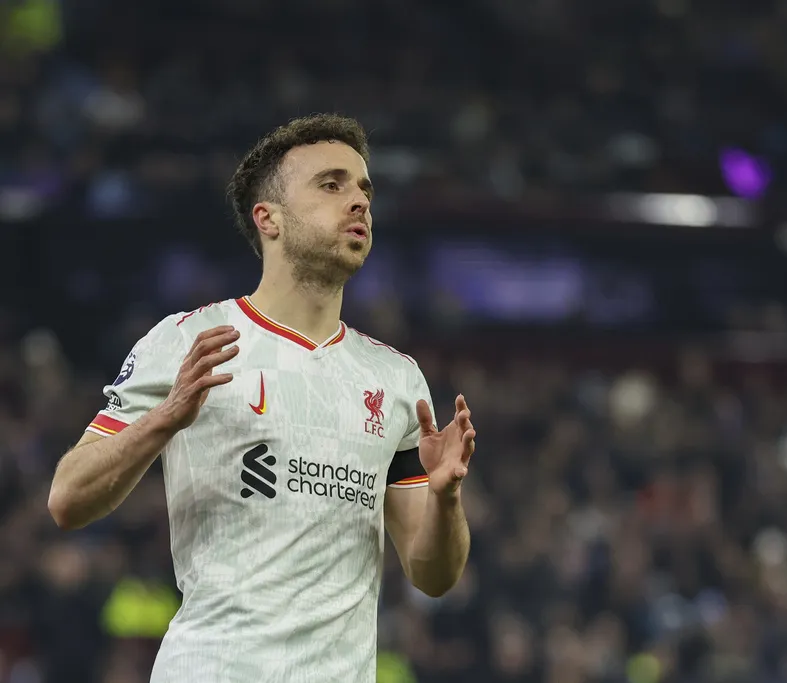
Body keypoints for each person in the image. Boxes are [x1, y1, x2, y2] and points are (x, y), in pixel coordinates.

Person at [46, 114, 476, 683]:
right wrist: (165, 419)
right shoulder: (186, 341)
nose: (359, 202)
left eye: (364, 190)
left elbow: (433, 576)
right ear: (268, 218)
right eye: (331, 185)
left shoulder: (396, 379)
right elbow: (68, 499)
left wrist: (445, 499)